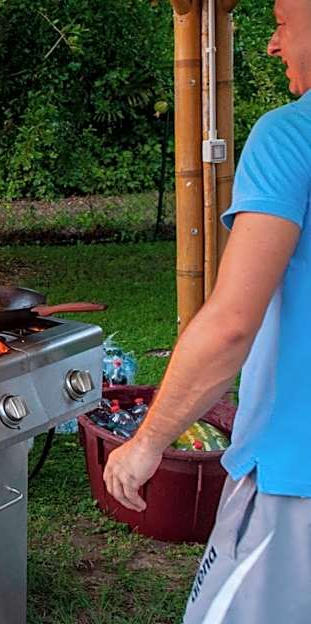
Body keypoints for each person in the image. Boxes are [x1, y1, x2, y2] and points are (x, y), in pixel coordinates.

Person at [103, 1, 311, 622]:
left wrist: (145, 445)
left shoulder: (290, 136)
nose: (272, 45)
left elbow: (229, 325)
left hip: (293, 482)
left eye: (281, 21)